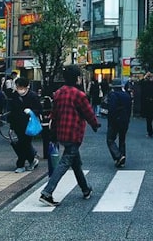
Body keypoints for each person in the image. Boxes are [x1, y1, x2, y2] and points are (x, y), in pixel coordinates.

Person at [39, 66, 100, 207]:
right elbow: (88, 113)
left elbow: (54, 113)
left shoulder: (59, 93)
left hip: (62, 132)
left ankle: (85, 189)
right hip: (74, 133)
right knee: (65, 163)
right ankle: (47, 192)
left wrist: (53, 132)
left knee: (76, 163)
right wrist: (95, 125)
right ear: (76, 78)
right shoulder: (79, 95)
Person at [8, 77, 42, 173]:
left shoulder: (33, 96)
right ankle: (32, 160)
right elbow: (12, 111)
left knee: (24, 143)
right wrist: (11, 126)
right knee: (24, 144)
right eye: (18, 87)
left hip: (29, 124)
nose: (20, 89)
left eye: (21, 87)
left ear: (27, 87)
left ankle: (21, 164)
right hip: (18, 124)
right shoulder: (15, 96)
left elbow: (39, 109)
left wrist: (31, 111)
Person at [105, 78, 133, 167]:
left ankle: (118, 156)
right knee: (122, 139)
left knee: (110, 139)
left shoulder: (113, 95)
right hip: (125, 120)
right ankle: (122, 159)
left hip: (115, 120)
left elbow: (112, 109)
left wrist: (110, 120)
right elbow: (129, 110)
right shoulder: (126, 95)